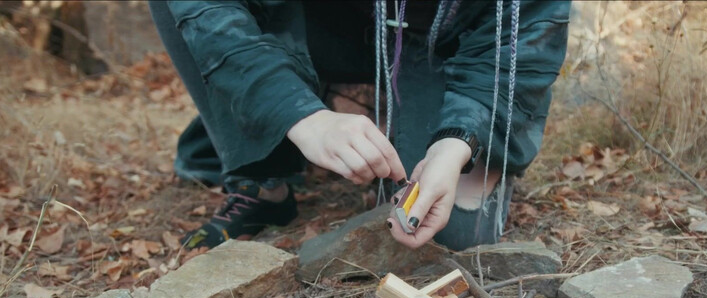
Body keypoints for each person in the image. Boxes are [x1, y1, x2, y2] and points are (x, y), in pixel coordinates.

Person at [149, 0, 570, 251]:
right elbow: (210, 11)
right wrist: (301, 115)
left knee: (450, 233)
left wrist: (457, 141)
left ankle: (356, 107)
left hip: (438, 42)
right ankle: (265, 176)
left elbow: (526, 29)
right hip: (312, 25)